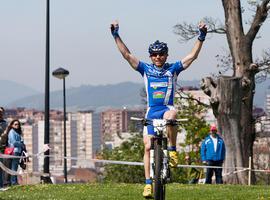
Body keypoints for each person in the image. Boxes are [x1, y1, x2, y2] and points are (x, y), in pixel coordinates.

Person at [111, 20, 207, 198]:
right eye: (154, 55)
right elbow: (127, 54)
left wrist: (201, 36)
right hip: (151, 111)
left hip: (166, 108)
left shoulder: (173, 69)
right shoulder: (145, 69)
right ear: (150, 56)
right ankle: (148, 184)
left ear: (166, 55)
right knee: (147, 147)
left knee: (172, 114)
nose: (158, 57)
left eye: (161, 54)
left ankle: (172, 150)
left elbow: (192, 56)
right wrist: (116, 34)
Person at [6, 119, 25, 186]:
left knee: (15, 167)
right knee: (14, 167)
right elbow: (14, 142)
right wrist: (21, 144)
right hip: (14, 151)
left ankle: (14, 181)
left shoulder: (17, 132)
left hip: (18, 151)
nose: (17, 125)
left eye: (18, 124)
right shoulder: (11, 132)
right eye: (15, 124)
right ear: (12, 125)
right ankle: (13, 182)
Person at [0, 107, 8, 190]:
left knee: (1, 167)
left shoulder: (4, 123)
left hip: (1, 148)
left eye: (1, 112)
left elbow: (6, 134)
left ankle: (1, 185)